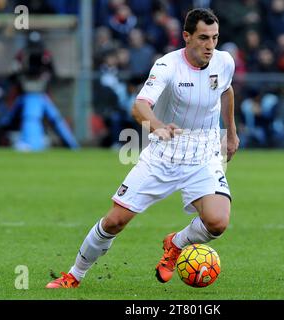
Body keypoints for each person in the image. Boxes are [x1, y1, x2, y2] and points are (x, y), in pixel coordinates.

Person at [46, 8, 239, 288]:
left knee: (217, 222)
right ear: (186, 36)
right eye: (203, 38)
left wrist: (231, 133)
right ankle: (74, 275)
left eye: (215, 38)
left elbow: (226, 89)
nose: (210, 46)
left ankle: (176, 244)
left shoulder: (224, 62)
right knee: (114, 221)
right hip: (163, 154)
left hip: (203, 154)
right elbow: (139, 106)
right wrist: (158, 126)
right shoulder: (167, 66)